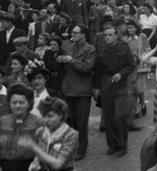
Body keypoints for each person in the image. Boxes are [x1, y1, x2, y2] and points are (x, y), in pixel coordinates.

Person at [93, 25, 135, 157]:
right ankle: (112, 144)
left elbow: (131, 65)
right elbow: (98, 69)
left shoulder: (124, 47)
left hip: (121, 83)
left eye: (111, 35)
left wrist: (121, 74)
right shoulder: (101, 49)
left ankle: (123, 145)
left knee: (120, 116)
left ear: (116, 35)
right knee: (109, 116)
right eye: (105, 35)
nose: (108, 37)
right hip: (106, 83)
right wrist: (95, 88)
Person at [60, 24, 95, 160]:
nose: (72, 35)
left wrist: (72, 60)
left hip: (82, 90)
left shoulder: (90, 49)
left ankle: (82, 148)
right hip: (68, 88)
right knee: (70, 120)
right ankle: (71, 146)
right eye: (72, 32)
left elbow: (87, 68)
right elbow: (59, 59)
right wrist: (62, 58)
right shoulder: (68, 46)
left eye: (75, 33)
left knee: (81, 122)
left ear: (83, 35)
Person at [18, 97, 79, 171]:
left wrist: (33, 147)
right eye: (43, 116)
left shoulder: (71, 135)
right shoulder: (41, 131)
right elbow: (39, 155)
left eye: (50, 116)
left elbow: (58, 164)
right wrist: (35, 163)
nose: (46, 120)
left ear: (61, 115)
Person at [0, 83, 42, 171]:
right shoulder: (2, 121)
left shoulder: (38, 122)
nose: (17, 106)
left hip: (31, 166)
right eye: (14, 102)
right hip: (5, 165)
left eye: (21, 102)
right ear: (9, 103)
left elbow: (43, 145)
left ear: (29, 104)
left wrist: (36, 161)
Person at [124, 18, 150, 119]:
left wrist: (141, 56)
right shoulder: (125, 40)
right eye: (128, 27)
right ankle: (135, 110)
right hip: (130, 67)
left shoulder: (142, 37)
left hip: (140, 67)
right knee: (131, 90)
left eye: (132, 27)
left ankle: (142, 103)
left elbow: (148, 49)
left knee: (139, 89)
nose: (130, 29)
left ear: (136, 28)